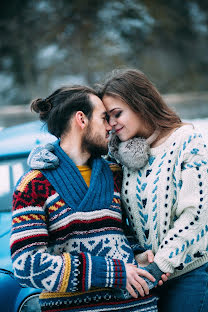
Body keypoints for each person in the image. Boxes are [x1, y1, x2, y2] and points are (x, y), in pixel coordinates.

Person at [10, 85, 160, 312]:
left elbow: (121, 234)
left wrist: (138, 253)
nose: (111, 126)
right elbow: (27, 266)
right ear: (81, 119)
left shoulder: (115, 173)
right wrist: (111, 272)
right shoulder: (33, 185)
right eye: (103, 118)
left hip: (138, 305)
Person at [96, 68, 208, 312]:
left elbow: (197, 215)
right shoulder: (122, 155)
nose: (112, 123)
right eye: (107, 117)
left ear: (140, 104)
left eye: (117, 114)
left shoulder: (187, 141)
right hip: (147, 277)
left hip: (190, 275)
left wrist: (161, 265)